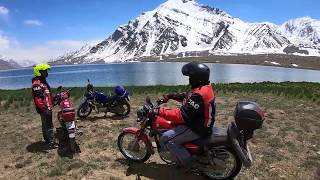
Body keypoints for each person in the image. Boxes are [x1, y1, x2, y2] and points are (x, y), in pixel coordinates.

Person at [152, 61, 216, 170]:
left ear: (197, 78)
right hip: (198, 122)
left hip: (197, 128)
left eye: (191, 77)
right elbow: (187, 96)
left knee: (168, 139)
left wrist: (158, 111)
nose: (189, 79)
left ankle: (189, 164)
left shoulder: (199, 95)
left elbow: (181, 116)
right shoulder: (202, 88)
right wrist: (171, 96)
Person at [31, 63, 58, 149]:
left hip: (47, 107)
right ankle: (52, 143)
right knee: (49, 125)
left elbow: (46, 94)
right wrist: (44, 108)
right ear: (39, 72)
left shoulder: (43, 82)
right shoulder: (37, 83)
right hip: (44, 109)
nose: (46, 73)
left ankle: (48, 140)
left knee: (45, 124)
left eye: (46, 71)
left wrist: (54, 98)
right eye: (45, 71)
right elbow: (38, 99)